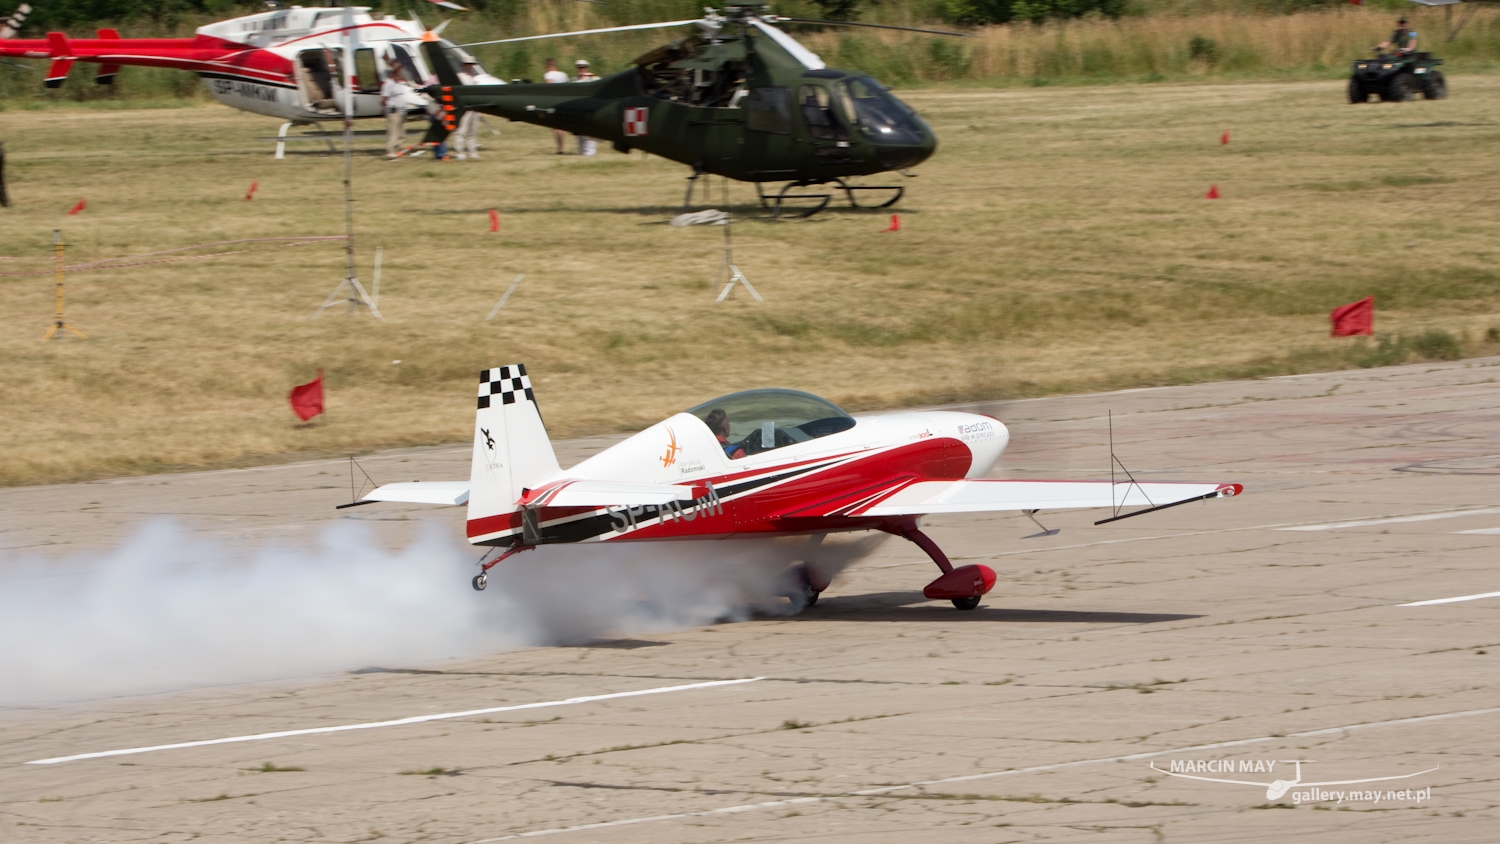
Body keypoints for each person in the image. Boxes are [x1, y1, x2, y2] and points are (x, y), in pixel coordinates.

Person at [381, 63, 411, 159]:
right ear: (393, 74)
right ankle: (390, 151)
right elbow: (383, 98)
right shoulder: (389, 84)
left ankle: (397, 149)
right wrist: (386, 109)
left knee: (401, 133)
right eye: (397, 74)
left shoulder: (400, 84)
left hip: (401, 111)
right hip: (393, 111)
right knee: (393, 132)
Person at [573, 59, 600, 156]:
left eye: (583, 67)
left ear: (587, 68)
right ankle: (582, 152)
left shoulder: (593, 78)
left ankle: (590, 153)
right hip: (577, 109)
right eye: (579, 67)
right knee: (579, 133)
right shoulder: (574, 80)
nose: (581, 69)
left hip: (589, 109)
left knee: (589, 132)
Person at [543, 58, 570, 154]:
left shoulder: (548, 75)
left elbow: (548, 87)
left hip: (554, 102)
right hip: (564, 100)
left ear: (547, 66)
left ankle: (560, 149)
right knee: (561, 126)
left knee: (556, 127)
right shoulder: (563, 74)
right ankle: (561, 147)